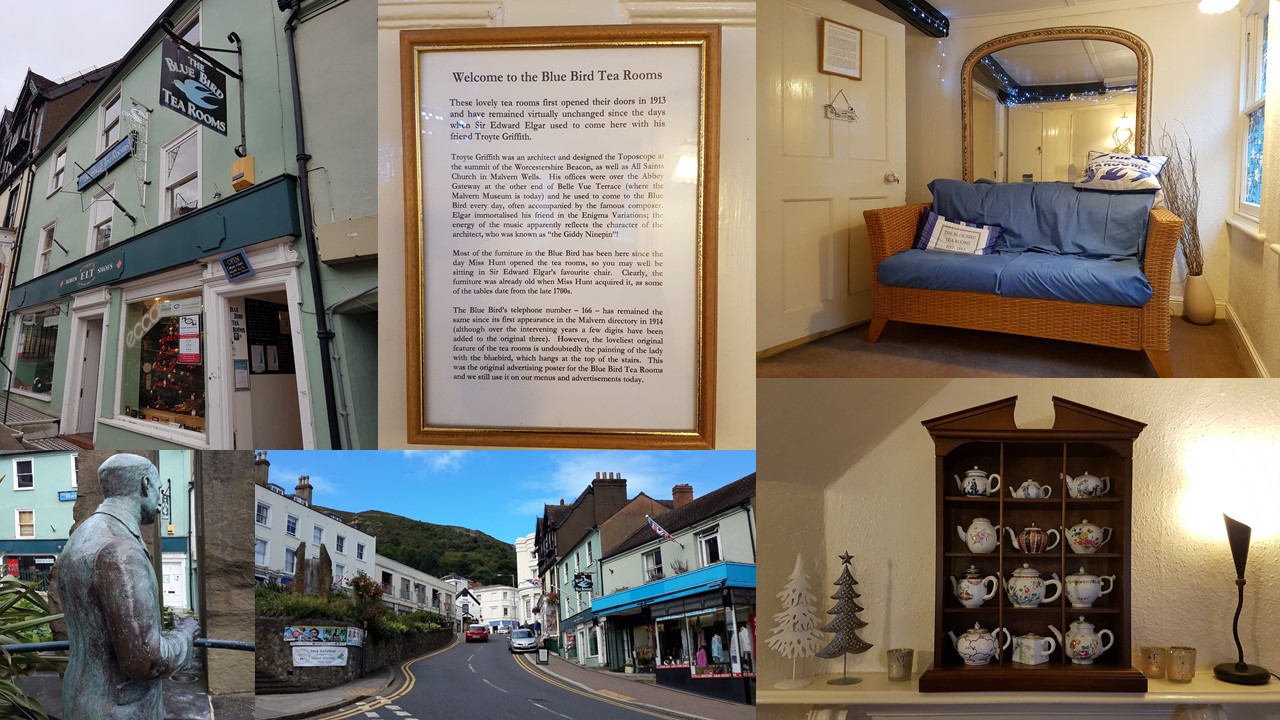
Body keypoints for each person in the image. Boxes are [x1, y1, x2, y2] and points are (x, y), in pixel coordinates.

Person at [58, 454, 200, 720]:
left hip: (79, 699)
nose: (160, 501)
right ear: (145, 484)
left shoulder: (80, 537)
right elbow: (146, 659)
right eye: (159, 490)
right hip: (119, 710)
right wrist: (185, 635)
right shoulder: (121, 550)